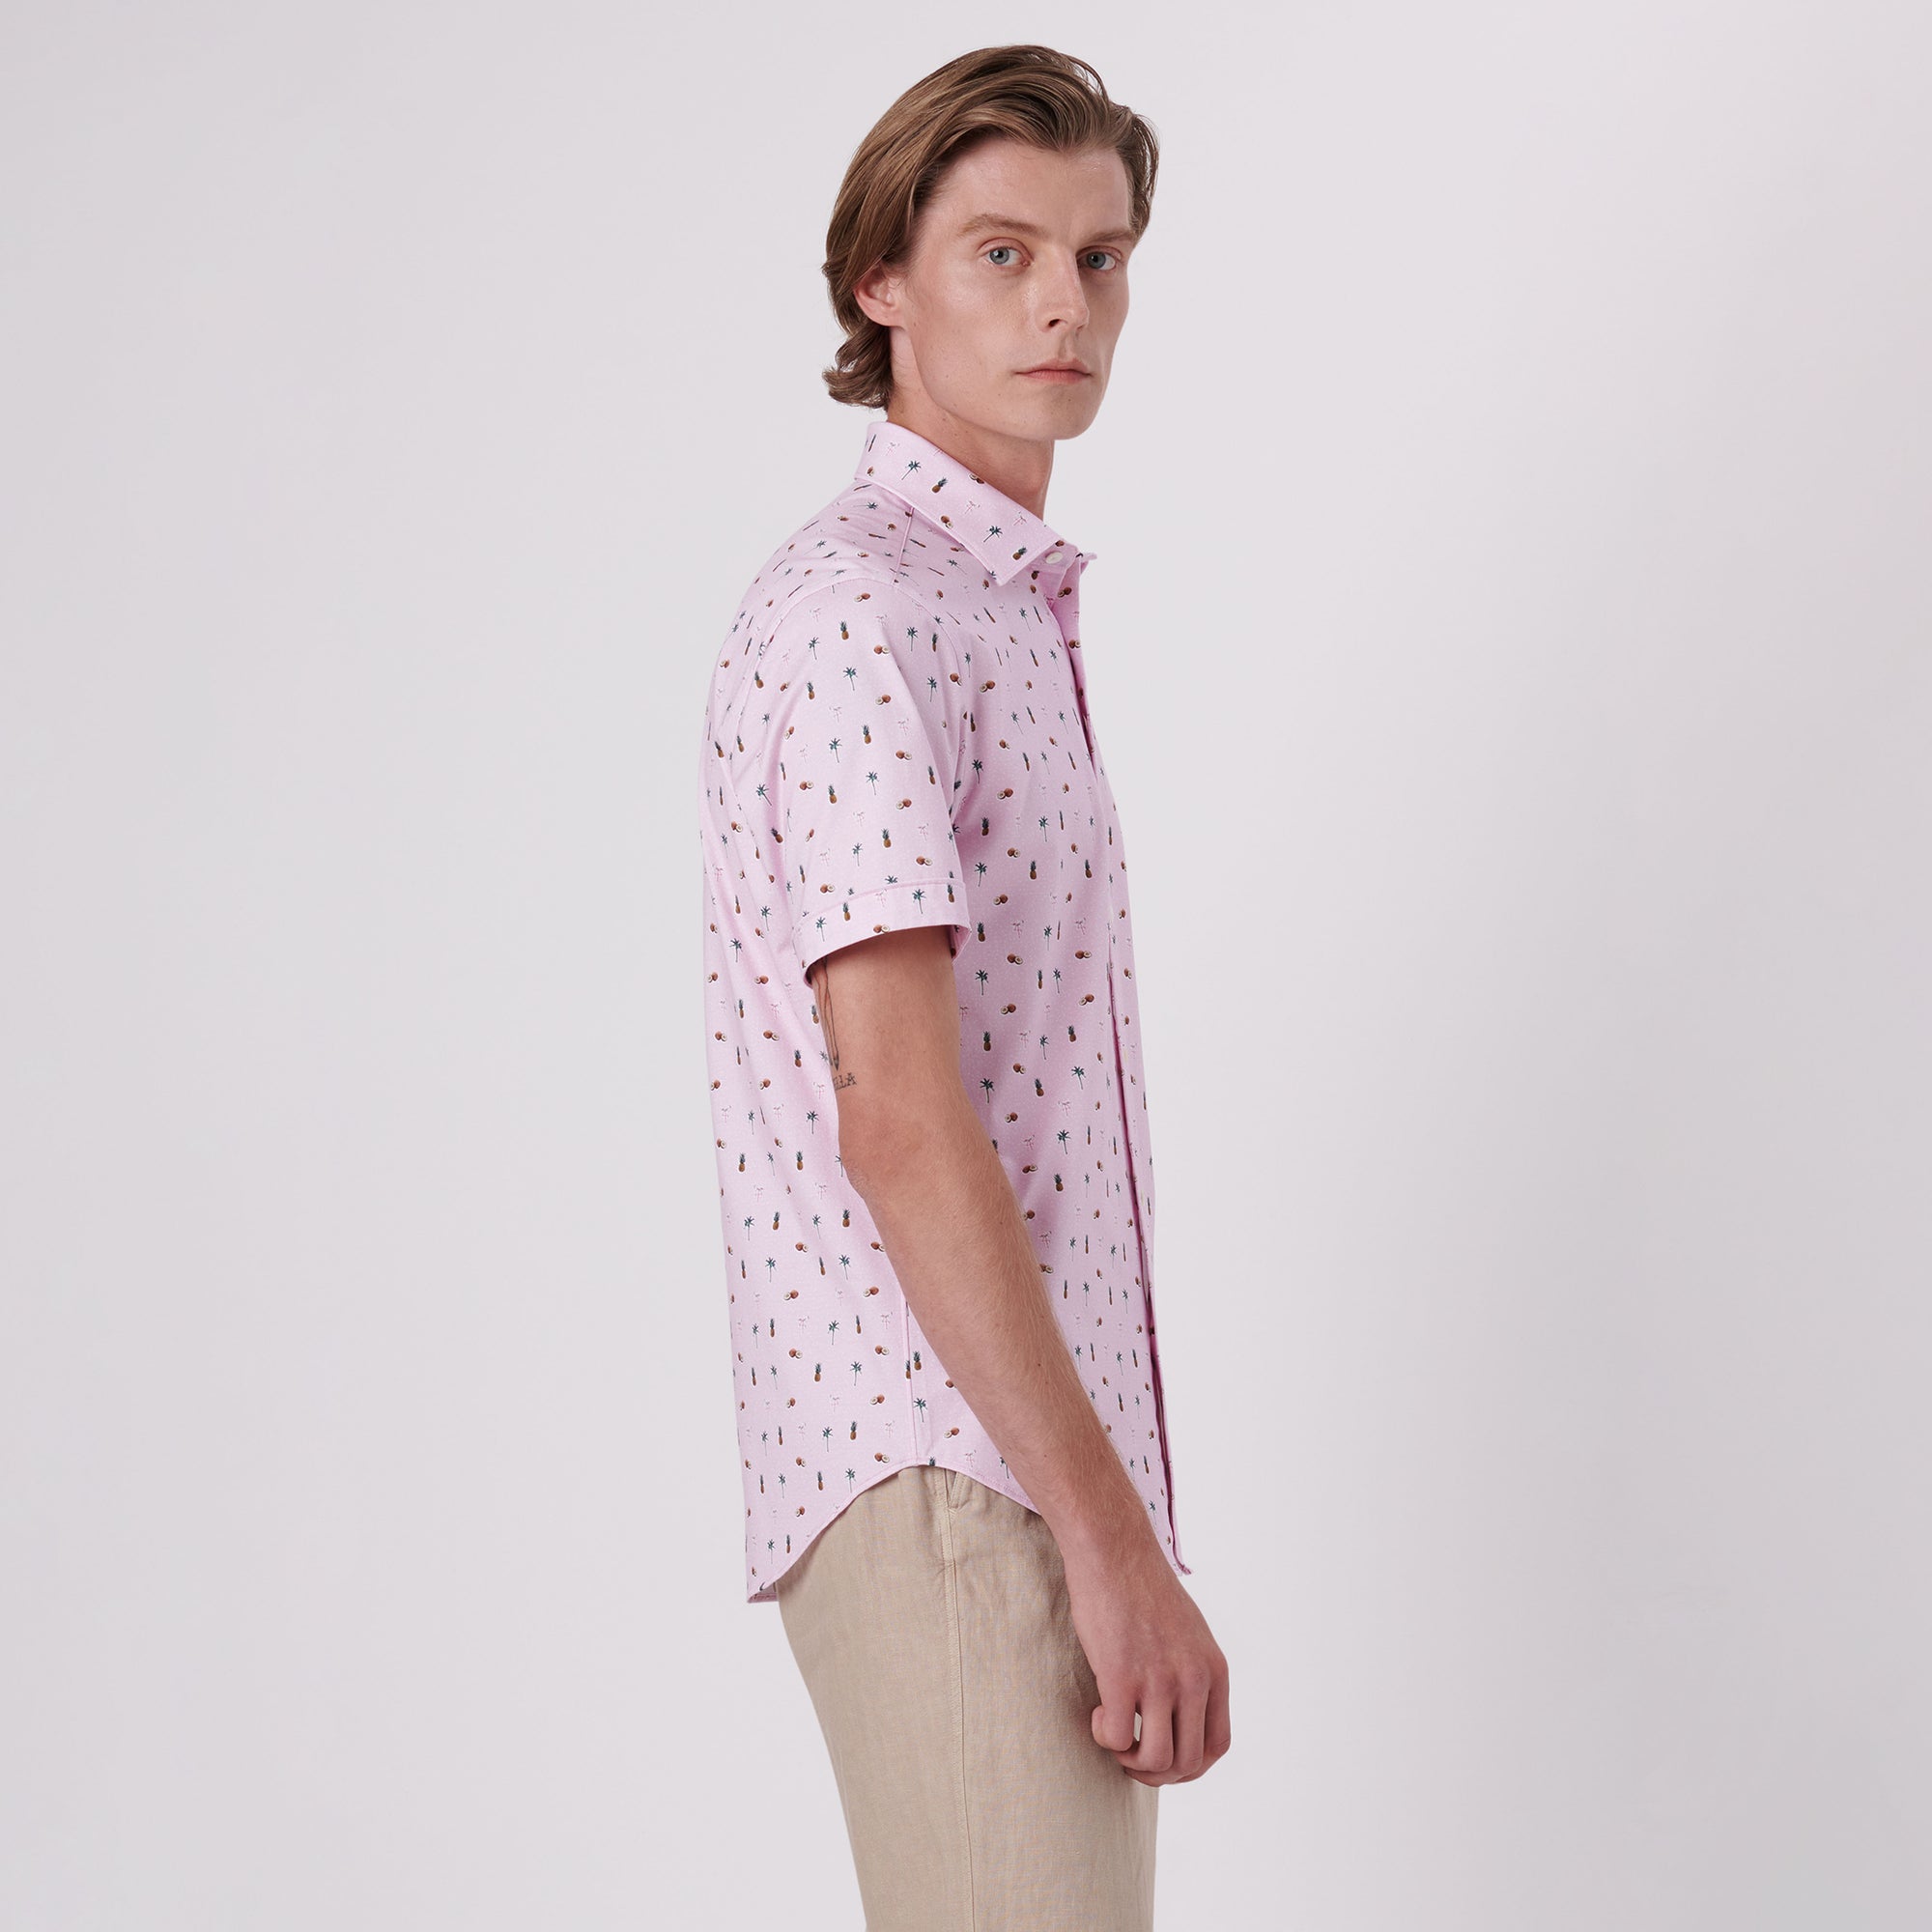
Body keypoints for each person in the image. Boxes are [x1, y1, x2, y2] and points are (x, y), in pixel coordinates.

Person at [696, 43, 1230, 1929]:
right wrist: (1109, 1540)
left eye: (1099, 257)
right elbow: (901, 1118)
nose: (1063, 305)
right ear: (883, 284)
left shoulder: (991, 606)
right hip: (958, 1470)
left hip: (1006, 1463)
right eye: (1002, 253)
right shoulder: (867, 611)